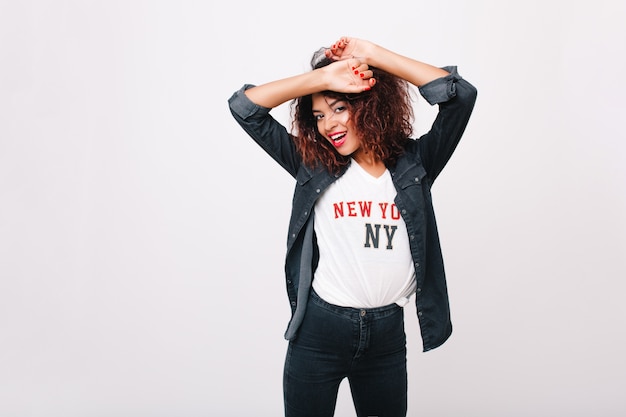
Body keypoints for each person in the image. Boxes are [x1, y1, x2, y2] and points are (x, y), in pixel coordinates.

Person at [228, 36, 477, 417]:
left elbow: (460, 97)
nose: (328, 124)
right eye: (319, 115)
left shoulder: (416, 164)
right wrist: (323, 78)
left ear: (369, 103)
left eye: (340, 108)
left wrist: (373, 56)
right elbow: (245, 108)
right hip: (319, 332)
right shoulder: (312, 163)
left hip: (387, 336)